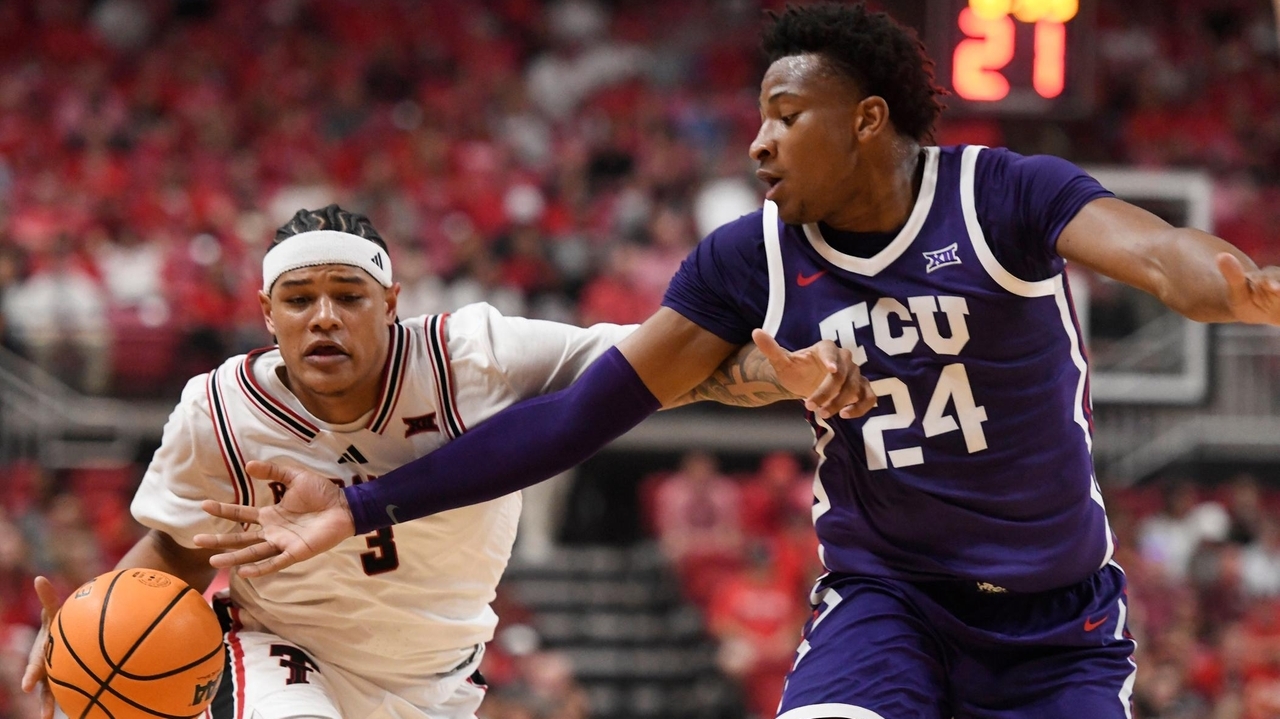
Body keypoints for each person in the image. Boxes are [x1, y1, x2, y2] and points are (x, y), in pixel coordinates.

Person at [193, 4, 1280, 718]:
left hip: (1056, 624)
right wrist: (362, 501)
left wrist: (1235, 285)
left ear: (863, 121)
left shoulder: (1002, 194)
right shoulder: (745, 258)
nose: (755, 142)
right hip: (887, 600)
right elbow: (578, 416)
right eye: (757, 117)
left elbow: (1165, 259)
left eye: (782, 114)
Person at [20, 204, 868, 719]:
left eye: (347, 297)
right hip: (278, 647)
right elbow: (173, 547)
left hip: (434, 679)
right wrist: (95, 629)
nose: (323, 317)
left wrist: (779, 375)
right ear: (265, 313)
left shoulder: (479, 357)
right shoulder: (216, 407)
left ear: (391, 304)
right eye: (299, 299)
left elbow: (667, 369)